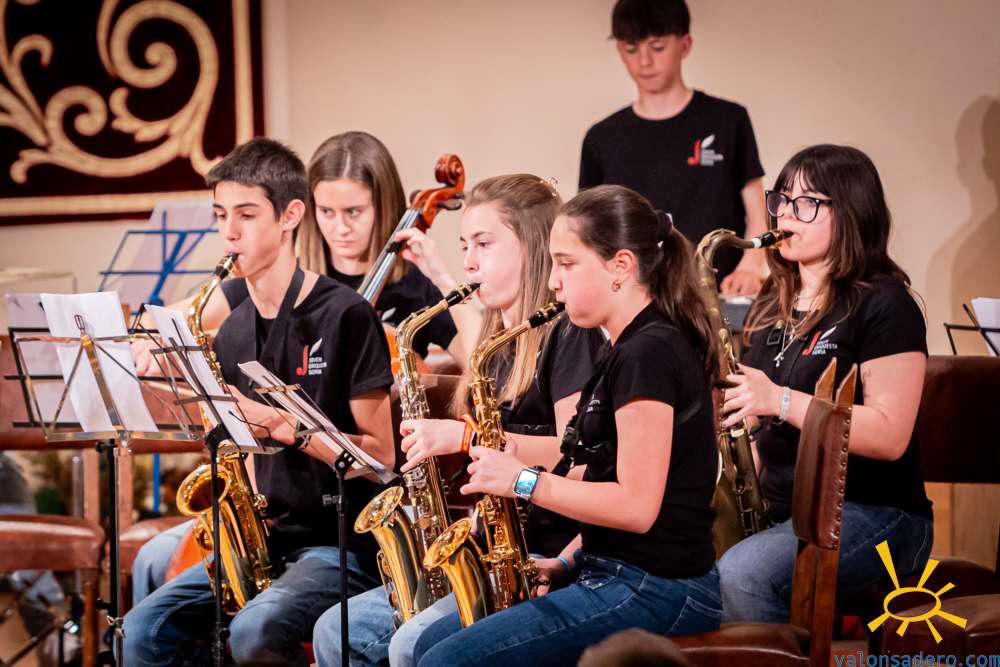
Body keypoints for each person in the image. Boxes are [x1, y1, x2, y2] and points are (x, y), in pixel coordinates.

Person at [129, 131, 468, 605]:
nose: (340, 228)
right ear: (305, 211)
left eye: (355, 212)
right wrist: (147, 335)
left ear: (383, 207)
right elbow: (180, 317)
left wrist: (428, 361)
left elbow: (471, 360)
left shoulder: (405, 289)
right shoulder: (278, 276)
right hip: (279, 486)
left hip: (347, 488)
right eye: (327, 212)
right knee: (155, 564)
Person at [411, 184, 722, 667]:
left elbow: (637, 508)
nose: (552, 282)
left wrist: (520, 480)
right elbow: (602, 484)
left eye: (566, 263)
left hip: (660, 589)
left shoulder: (650, 352)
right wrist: (563, 562)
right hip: (611, 571)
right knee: (426, 648)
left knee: (444, 661)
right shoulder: (623, 349)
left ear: (621, 267)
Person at [311, 174, 606, 667]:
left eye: (484, 244)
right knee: (335, 630)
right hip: (492, 546)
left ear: (533, 247)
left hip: (550, 556)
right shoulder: (496, 344)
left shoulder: (568, 336)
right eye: (464, 245)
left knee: (411, 644)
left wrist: (465, 436)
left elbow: (574, 450)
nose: (469, 260)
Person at [122, 138, 396, 666]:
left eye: (247, 215)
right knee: (142, 630)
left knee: (252, 631)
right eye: (222, 215)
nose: (229, 232)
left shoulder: (345, 314)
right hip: (265, 537)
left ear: (291, 215)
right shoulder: (232, 330)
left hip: (337, 543)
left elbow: (380, 457)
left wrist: (279, 421)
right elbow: (240, 453)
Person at [716, 144, 933, 622]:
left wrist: (780, 400)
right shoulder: (772, 304)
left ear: (852, 212)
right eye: (783, 200)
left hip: (877, 512)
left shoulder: (887, 305)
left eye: (807, 202)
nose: (787, 214)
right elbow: (755, 429)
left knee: (745, 573)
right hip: (785, 507)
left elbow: (890, 435)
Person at [579, 0, 768, 295]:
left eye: (657, 47)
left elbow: (757, 212)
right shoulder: (601, 138)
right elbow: (589, 232)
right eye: (631, 49)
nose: (644, 62)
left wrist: (752, 264)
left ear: (685, 44)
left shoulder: (728, 121)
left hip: (716, 299)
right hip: (632, 302)